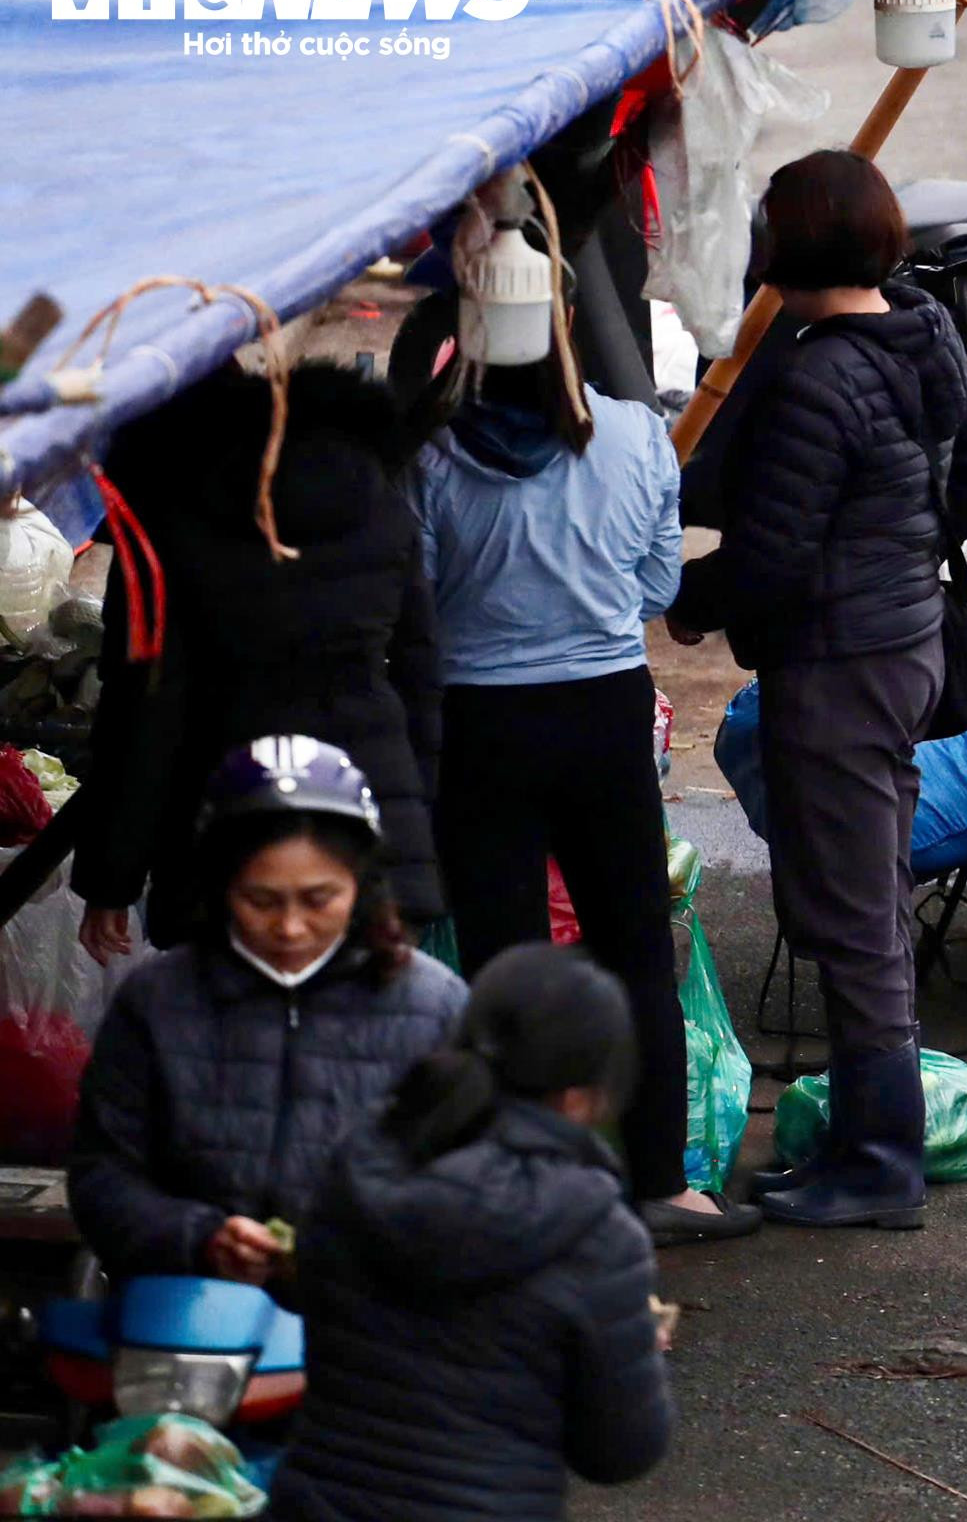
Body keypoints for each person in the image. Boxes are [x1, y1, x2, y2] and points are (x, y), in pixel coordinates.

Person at [665, 150, 967, 1230]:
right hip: (904, 641)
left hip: (840, 661)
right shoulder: (919, 325)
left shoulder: (818, 376)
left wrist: (684, 598)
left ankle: (877, 1165)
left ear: (790, 247)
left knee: (855, 911)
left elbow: (772, 556)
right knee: (859, 895)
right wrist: (913, 544)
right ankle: (873, 1147)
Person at [412, 303, 759, 1245]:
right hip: (603, 711)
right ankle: (663, 1181)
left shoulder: (432, 454)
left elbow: (423, 600)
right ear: (565, 332)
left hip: (479, 723)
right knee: (635, 949)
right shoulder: (638, 434)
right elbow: (656, 587)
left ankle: (516, 1184)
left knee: (502, 960)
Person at [269, 944, 673, 1522]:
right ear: (583, 1096)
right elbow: (619, 1452)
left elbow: (311, 1297)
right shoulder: (597, 1234)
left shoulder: (359, 1163)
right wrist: (636, 1349)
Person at [75, 362, 444, 960]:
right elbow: (422, 679)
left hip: (227, 826)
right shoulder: (378, 503)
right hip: (370, 810)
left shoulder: (169, 530)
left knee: (237, 1036)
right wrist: (411, 821)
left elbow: (145, 714)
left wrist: (111, 878)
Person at [69, 736, 464, 1280]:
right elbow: (103, 1175)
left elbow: (478, 1182)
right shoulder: (157, 1001)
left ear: (363, 888)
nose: (290, 927)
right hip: (192, 1315)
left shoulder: (433, 1005)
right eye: (261, 901)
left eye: (319, 899)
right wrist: (200, 1237)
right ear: (219, 887)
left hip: (377, 1322)